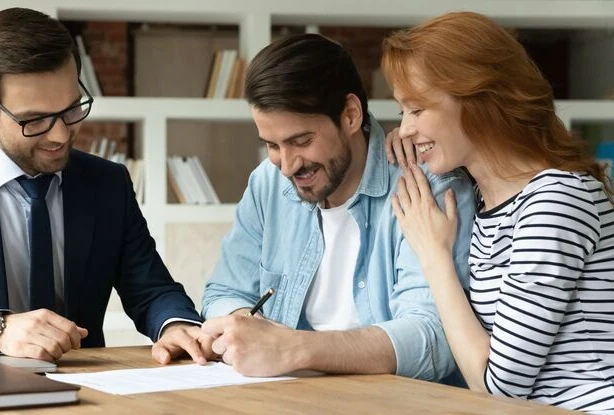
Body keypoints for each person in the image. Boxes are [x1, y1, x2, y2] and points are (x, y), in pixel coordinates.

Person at [0, 7, 213, 364]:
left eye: (71, 110)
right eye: (35, 119)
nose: (61, 134)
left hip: (87, 390)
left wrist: (175, 326)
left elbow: (150, 288)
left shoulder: (108, 184)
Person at [200, 33, 476, 380]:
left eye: (301, 141)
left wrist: (293, 348)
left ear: (350, 114)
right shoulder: (267, 183)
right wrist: (245, 329)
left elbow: (432, 338)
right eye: (272, 145)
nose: (286, 166)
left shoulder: (428, 187)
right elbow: (225, 291)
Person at [382, 11, 614, 412]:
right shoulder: (482, 198)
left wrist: (434, 256)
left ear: (478, 101)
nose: (403, 128)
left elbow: (498, 388)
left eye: (416, 109)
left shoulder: (556, 200)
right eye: (402, 112)